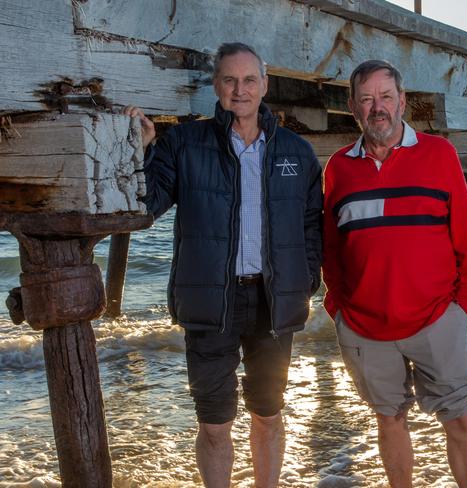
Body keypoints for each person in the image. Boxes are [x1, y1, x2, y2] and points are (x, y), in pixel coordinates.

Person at [124, 42, 322, 488]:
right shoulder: (185, 143)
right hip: (212, 300)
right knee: (214, 424)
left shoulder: (296, 151)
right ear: (216, 86)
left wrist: (306, 280)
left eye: (250, 80)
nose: (240, 89)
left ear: (265, 85)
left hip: (273, 304)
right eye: (230, 80)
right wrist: (141, 150)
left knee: (269, 414)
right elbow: (146, 207)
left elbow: (312, 224)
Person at [322, 59, 467, 488]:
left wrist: (461, 310)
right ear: (353, 107)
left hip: (436, 321)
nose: (379, 107)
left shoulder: (439, 154)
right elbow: (331, 251)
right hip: (365, 327)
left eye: (386, 97)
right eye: (368, 99)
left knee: (462, 422)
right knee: (390, 419)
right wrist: (337, 307)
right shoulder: (338, 168)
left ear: (403, 102)